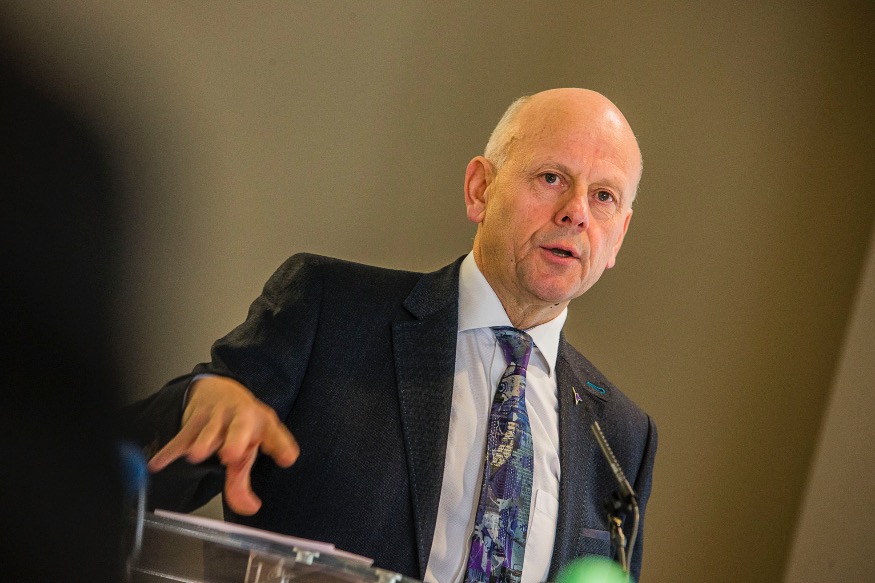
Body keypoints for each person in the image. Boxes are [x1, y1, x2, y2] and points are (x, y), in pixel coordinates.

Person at [122, 88, 657, 583]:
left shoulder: (621, 437)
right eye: (552, 178)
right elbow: (118, 467)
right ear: (480, 189)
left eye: (604, 195)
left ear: (619, 238)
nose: (576, 213)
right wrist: (195, 404)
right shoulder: (330, 313)